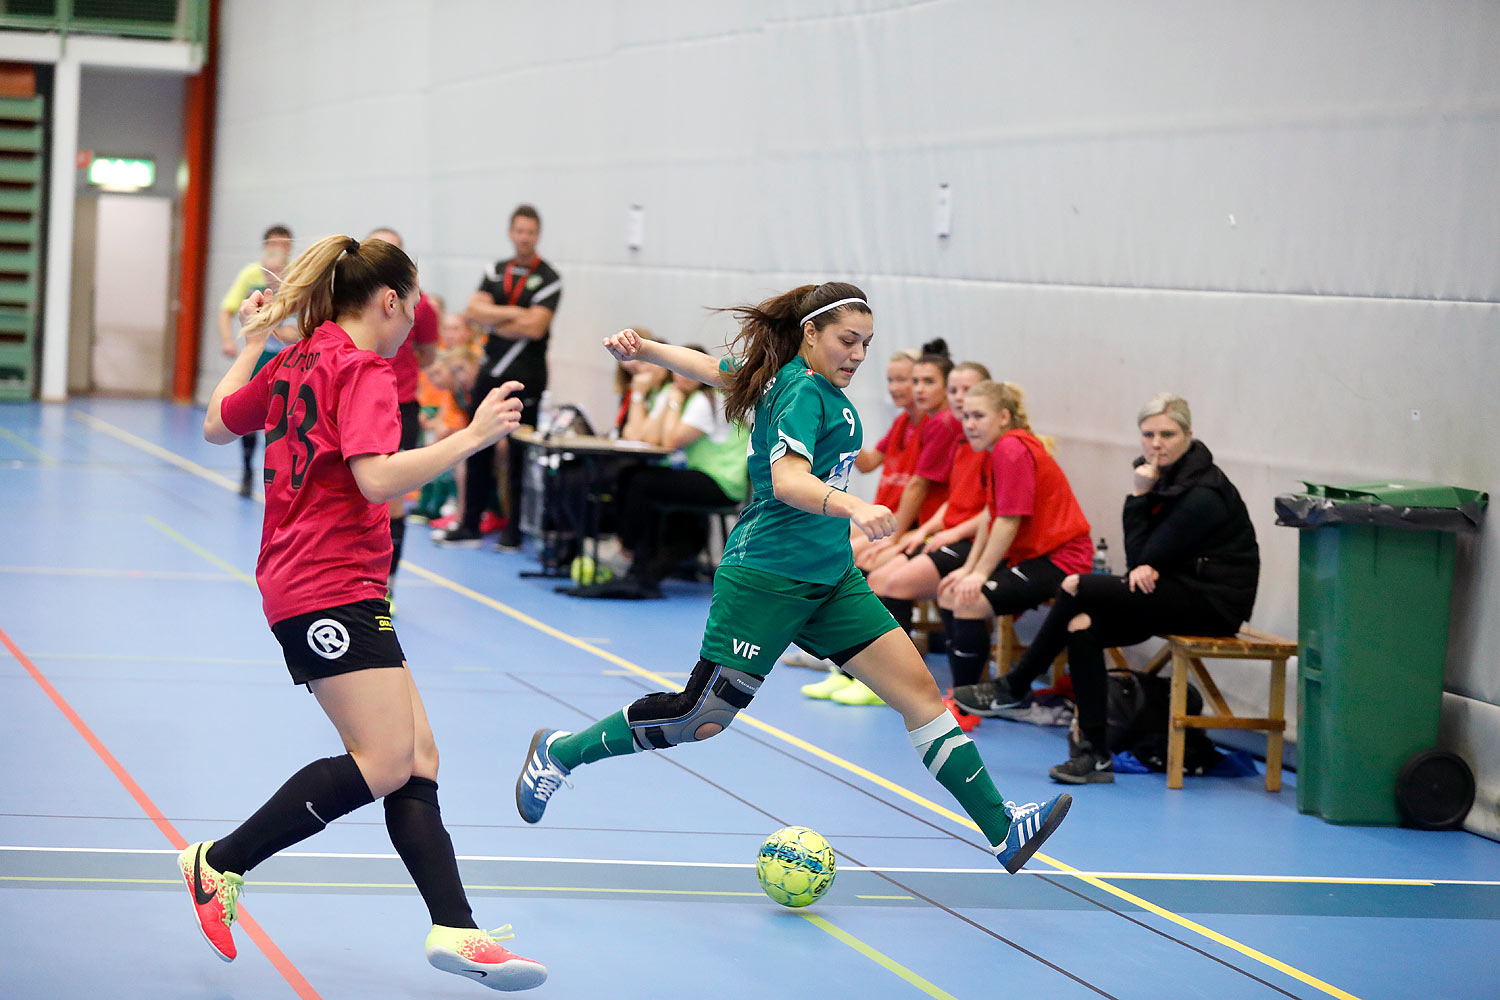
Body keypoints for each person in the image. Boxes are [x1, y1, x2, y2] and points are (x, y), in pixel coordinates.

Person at [513, 284, 1071, 875]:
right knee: (696, 719)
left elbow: (719, 369)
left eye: (866, 344)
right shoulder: (804, 390)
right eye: (846, 340)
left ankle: (1001, 828)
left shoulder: (787, 378)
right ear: (811, 334)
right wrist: (855, 508)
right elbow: (788, 482)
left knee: (921, 696)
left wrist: (646, 348)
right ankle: (561, 752)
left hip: (831, 579)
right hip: (767, 577)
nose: (857, 354)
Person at [181, 234, 547, 989]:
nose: (415, 314)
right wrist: (471, 438)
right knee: (382, 762)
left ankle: (457, 929)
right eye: (412, 301)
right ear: (390, 300)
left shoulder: (296, 356)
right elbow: (377, 480)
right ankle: (219, 863)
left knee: (416, 758)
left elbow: (219, 422)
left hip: (334, 583)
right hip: (325, 583)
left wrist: (252, 345)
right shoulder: (364, 370)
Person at [953, 392, 1259, 785]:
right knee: (1083, 627)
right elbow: (1143, 562)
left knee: (1077, 584)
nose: (1156, 443)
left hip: (1213, 604)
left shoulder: (1203, 494)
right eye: (1148, 434)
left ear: (1189, 434)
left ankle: (1015, 685)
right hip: (1173, 592)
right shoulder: (1166, 478)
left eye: (1167, 434)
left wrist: (1137, 497)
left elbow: (1141, 555)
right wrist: (1147, 557)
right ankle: (1093, 755)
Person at [937, 381, 1094, 729]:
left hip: (1063, 560)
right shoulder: (998, 451)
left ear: (1004, 417)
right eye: (966, 416)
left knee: (968, 601)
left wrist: (979, 576)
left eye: (979, 416)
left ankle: (969, 704)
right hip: (1034, 557)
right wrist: (970, 570)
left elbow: (1009, 521)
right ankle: (966, 693)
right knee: (952, 591)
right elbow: (991, 517)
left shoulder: (1012, 449)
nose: (970, 424)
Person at [860, 362, 993, 724]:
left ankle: (912, 685)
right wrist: (926, 531)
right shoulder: (965, 437)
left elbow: (996, 513)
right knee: (874, 571)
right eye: (956, 391)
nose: (960, 399)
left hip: (978, 544)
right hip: (946, 533)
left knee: (890, 578)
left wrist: (911, 533)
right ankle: (871, 674)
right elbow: (956, 499)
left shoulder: (986, 440)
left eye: (923, 380)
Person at [573, 345, 750, 598]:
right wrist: (647, 396)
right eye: (678, 370)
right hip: (696, 474)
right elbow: (640, 436)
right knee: (632, 477)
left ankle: (629, 554)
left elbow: (668, 442)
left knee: (641, 483)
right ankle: (632, 553)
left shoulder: (706, 399)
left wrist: (673, 402)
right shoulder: (673, 393)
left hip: (720, 483)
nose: (682, 375)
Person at [437, 204, 562, 550]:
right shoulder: (495, 270)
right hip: (490, 372)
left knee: (520, 454)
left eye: (531, 232)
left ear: (538, 235)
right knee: (476, 444)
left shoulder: (550, 278)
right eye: (519, 231)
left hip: (527, 378)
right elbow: (474, 311)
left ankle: (514, 531)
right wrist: (515, 314)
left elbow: (536, 327)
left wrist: (497, 318)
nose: (524, 237)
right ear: (511, 233)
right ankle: (470, 523)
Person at [366, 228, 440, 601]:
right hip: (357, 401)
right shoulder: (351, 300)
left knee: (392, 495)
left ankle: (386, 583)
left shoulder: (421, 306)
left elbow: (428, 353)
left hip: (400, 404)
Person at [217, 224, 294, 497]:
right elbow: (227, 308)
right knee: (249, 414)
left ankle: (274, 476)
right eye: (271, 245)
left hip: (285, 358)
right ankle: (248, 468)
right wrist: (228, 340)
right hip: (259, 355)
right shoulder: (251, 274)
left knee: (280, 418)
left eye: (283, 245)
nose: (277, 250)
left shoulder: (296, 277)